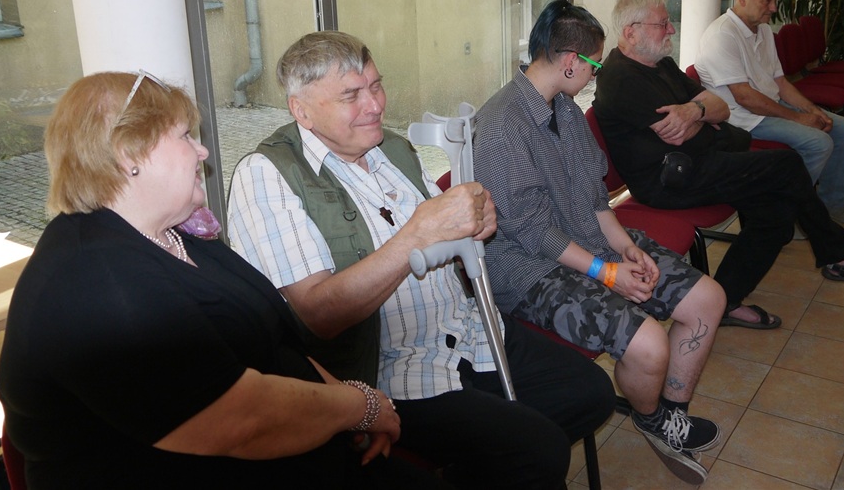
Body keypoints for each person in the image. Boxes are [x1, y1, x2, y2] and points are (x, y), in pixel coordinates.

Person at [0, 71, 442, 489]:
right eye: (184, 136)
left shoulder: (175, 233)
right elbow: (245, 422)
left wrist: (351, 403)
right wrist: (362, 408)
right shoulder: (100, 285)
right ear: (129, 154)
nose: (202, 151)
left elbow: (278, 344)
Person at [227, 31, 614, 490]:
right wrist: (416, 233)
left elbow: (452, 236)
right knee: (538, 450)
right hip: (392, 371)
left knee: (592, 393)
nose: (375, 105)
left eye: (376, 86)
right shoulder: (267, 175)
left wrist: (476, 221)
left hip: (469, 332)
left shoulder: (390, 148)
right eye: (351, 95)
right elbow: (318, 315)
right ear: (302, 110)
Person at [473, 0, 725, 486]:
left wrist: (625, 248)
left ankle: (670, 413)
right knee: (648, 343)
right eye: (593, 64)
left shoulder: (565, 109)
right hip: (530, 269)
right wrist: (607, 272)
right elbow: (533, 231)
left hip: (584, 240)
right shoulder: (502, 125)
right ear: (571, 61)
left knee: (707, 299)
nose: (596, 74)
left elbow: (594, 197)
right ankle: (651, 418)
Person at [593, 0, 844, 330]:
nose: (671, 29)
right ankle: (840, 255)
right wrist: (703, 116)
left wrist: (695, 111)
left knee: (776, 214)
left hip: (699, 162)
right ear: (631, 32)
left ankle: (725, 302)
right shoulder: (620, 78)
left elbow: (721, 108)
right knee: (786, 165)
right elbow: (681, 135)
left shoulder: (661, 64)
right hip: (668, 181)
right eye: (663, 23)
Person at [695, 0, 844, 227]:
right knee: (819, 143)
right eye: (768, 0)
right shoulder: (721, 35)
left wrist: (812, 110)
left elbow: (781, 83)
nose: (774, 8)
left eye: (775, 0)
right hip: (742, 120)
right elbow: (744, 97)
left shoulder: (763, 30)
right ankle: (785, 217)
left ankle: (833, 204)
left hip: (769, 107)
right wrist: (799, 119)